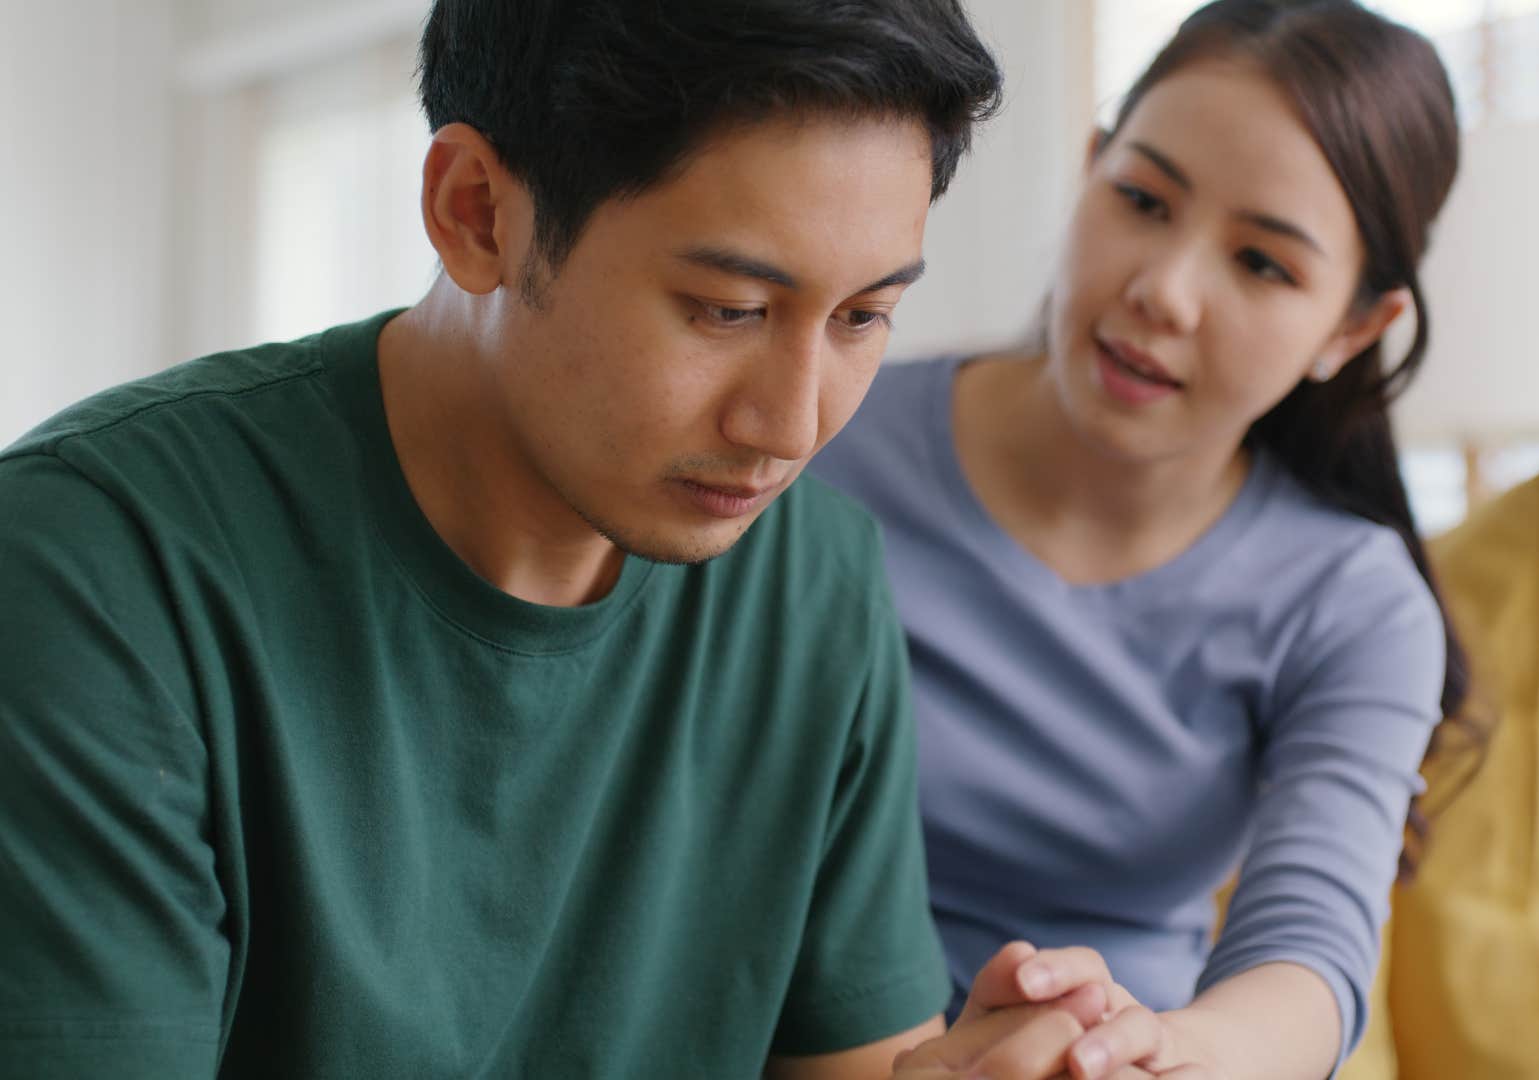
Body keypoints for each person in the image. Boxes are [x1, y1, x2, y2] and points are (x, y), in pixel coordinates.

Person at [0, 2, 1150, 1076]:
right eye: (729, 310)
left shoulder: (816, 583)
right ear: (477, 213)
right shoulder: (95, 569)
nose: (791, 427)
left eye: (864, 317)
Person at [808, 1, 1476, 1076]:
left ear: (1353, 329)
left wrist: (1157, 1050)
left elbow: (1308, 959)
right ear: (1089, 169)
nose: (1163, 291)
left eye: (1262, 264)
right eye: (1143, 200)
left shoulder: (1351, 602)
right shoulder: (815, 434)